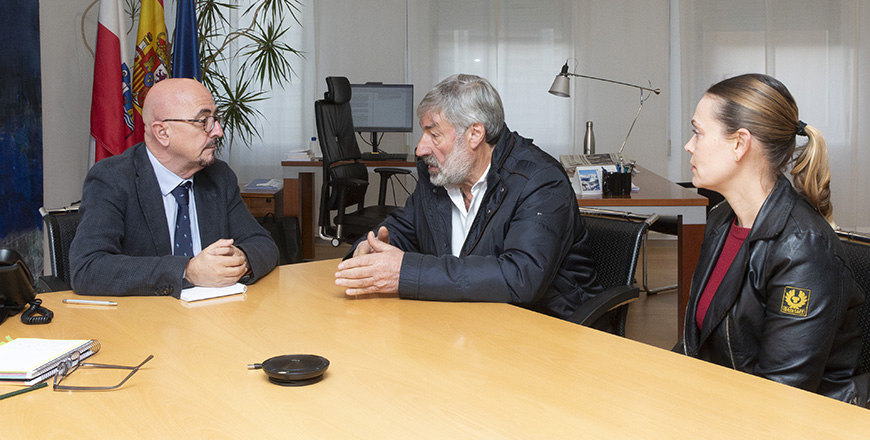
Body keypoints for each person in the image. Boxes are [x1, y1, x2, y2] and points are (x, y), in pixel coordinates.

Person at [333, 74, 603, 320]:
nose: (420, 148)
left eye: (434, 134)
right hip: (470, 325)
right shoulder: (440, 177)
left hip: (548, 332)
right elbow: (403, 228)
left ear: (475, 134)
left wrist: (404, 273)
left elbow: (521, 277)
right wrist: (368, 249)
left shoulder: (541, 181)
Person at [678, 73, 867, 405]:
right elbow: (698, 342)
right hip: (721, 405)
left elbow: (781, 396)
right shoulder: (723, 218)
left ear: (740, 143)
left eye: (697, 132)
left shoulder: (803, 249)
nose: (688, 146)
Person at [70, 78, 279, 297]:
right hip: (144, 321)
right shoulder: (113, 179)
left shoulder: (219, 176)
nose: (217, 130)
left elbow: (263, 244)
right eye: (203, 121)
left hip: (215, 317)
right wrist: (186, 271)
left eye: (215, 118)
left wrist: (240, 259)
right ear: (162, 133)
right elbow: (88, 269)